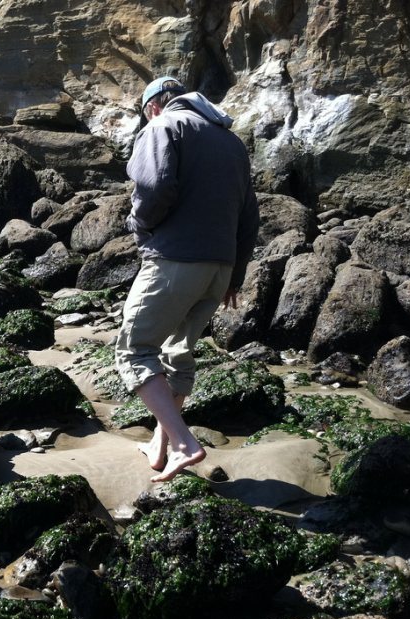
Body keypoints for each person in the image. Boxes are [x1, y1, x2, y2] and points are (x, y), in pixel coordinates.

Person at [116, 75, 260, 482]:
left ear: (154, 107)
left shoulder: (162, 127)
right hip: (220, 267)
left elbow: (154, 187)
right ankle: (160, 444)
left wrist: (141, 227)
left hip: (176, 259)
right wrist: (236, 274)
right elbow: (250, 216)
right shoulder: (232, 143)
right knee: (178, 352)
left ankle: (182, 442)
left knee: (134, 349)